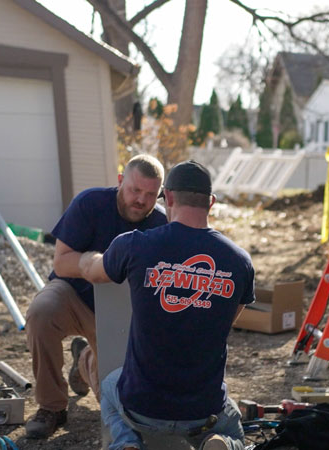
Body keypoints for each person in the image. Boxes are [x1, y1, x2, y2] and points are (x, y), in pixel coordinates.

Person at [79, 160, 253, 450]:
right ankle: (220, 442)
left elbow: (95, 271)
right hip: (202, 412)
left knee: (110, 384)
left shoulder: (133, 245)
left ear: (168, 198)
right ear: (210, 202)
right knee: (235, 431)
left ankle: (126, 442)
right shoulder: (239, 261)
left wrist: (86, 260)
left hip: (142, 407)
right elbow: (225, 321)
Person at [24, 155, 168, 439]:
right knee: (41, 312)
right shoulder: (90, 203)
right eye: (135, 190)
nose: (141, 200)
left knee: (117, 405)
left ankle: (86, 360)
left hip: (123, 314)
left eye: (151, 194)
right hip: (74, 296)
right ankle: (52, 407)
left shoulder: (161, 222)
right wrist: (90, 264)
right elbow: (61, 262)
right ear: (119, 181)